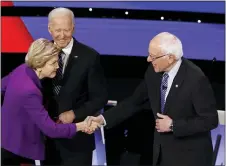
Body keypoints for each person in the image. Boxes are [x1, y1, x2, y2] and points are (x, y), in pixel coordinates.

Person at [85, 32, 219, 166]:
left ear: (170, 58)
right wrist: (102, 119)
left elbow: (210, 120)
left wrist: (174, 125)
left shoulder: (195, 79)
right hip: (161, 155)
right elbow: (134, 102)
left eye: (153, 56)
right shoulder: (153, 72)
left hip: (190, 157)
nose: (148, 59)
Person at [1, 38, 99, 166]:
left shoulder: (22, 70)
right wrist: (81, 126)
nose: (57, 66)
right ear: (40, 63)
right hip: (14, 149)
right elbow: (51, 130)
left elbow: (2, 86)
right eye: (53, 63)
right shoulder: (29, 91)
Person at [42, 7, 108, 166]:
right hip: (46, 140)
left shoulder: (89, 57)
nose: (62, 35)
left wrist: (74, 114)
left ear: (73, 27)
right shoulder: (41, 54)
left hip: (77, 142)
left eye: (66, 30)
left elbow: (100, 98)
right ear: (49, 29)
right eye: (57, 30)